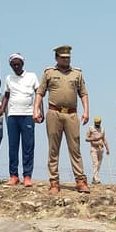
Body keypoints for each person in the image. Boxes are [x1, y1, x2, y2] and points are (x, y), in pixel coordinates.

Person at [33, 45, 91, 194]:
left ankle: (80, 181)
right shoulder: (49, 73)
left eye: (68, 57)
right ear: (56, 58)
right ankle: (54, 182)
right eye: (63, 57)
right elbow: (40, 92)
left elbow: (83, 93)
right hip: (54, 113)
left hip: (71, 114)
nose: (66, 60)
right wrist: (35, 110)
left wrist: (86, 111)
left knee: (75, 148)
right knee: (53, 148)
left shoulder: (77, 73)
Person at [0, 53, 40, 187]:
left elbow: (38, 94)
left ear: (22, 64)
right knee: (13, 146)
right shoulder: (8, 78)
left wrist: (40, 112)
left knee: (28, 146)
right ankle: (13, 176)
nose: (16, 66)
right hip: (12, 115)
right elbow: (6, 95)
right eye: (13, 65)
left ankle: (27, 176)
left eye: (18, 64)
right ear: (10, 65)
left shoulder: (32, 76)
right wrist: (1, 109)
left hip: (28, 115)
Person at [85, 116, 110, 184]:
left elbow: (104, 139)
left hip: (101, 148)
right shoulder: (91, 128)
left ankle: (94, 179)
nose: (97, 124)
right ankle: (96, 179)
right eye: (96, 122)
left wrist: (107, 149)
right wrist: (93, 139)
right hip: (94, 148)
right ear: (94, 122)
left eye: (98, 122)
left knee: (99, 164)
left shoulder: (102, 129)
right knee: (95, 163)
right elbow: (86, 139)